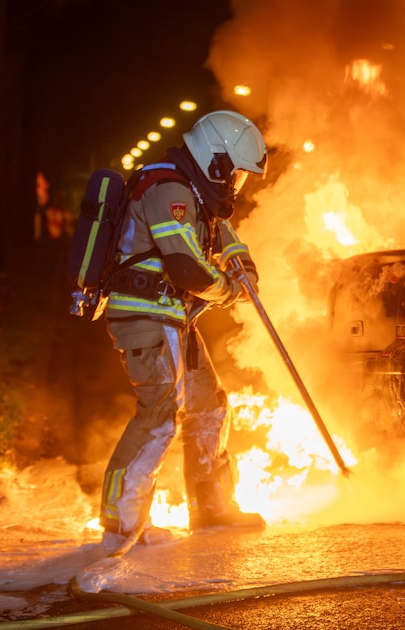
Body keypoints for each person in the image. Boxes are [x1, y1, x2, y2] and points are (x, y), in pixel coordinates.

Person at [98, 110, 269, 547]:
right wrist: (230, 289)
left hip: (173, 321)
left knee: (209, 407)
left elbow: (217, 230)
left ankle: (213, 508)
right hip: (147, 320)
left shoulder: (192, 191)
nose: (235, 185)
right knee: (159, 417)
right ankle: (122, 523)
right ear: (217, 162)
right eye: (235, 174)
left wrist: (241, 259)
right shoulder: (169, 189)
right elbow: (187, 266)